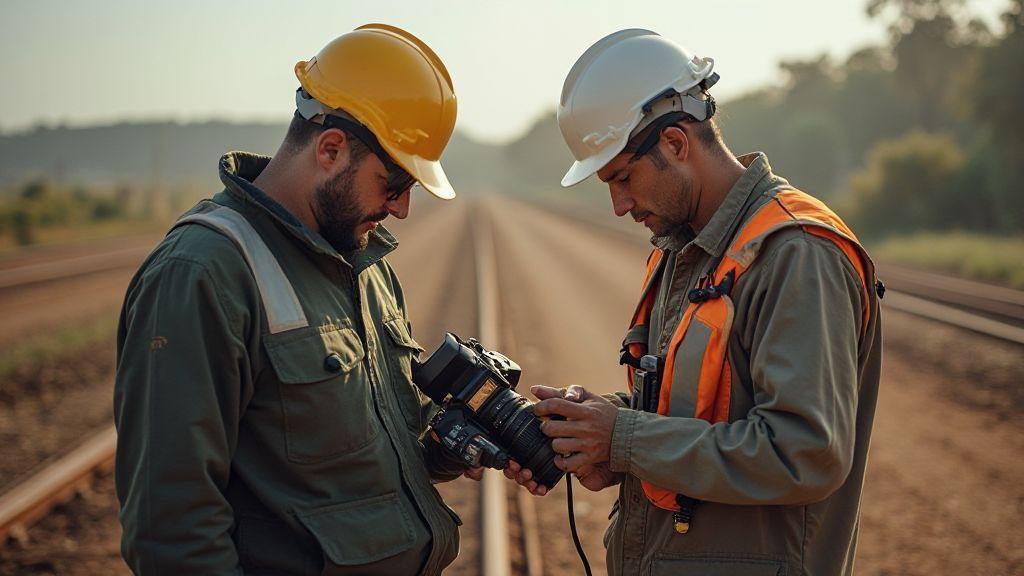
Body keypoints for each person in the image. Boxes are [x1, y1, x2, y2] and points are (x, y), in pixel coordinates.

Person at [508, 29, 884, 576]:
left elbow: (804, 452)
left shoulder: (796, 254)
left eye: (623, 177)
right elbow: (696, 412)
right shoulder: (686, 247)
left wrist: (623, 438)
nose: (618, 205)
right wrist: (599, 430)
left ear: (676, 143)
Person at [114, 24, 476, 576]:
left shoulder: (362, 265)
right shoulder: (202, 274)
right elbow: (173, 529)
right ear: (330, 150)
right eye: (394, 184)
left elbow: (373, 454)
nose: (402, 209)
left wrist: (453, 441)